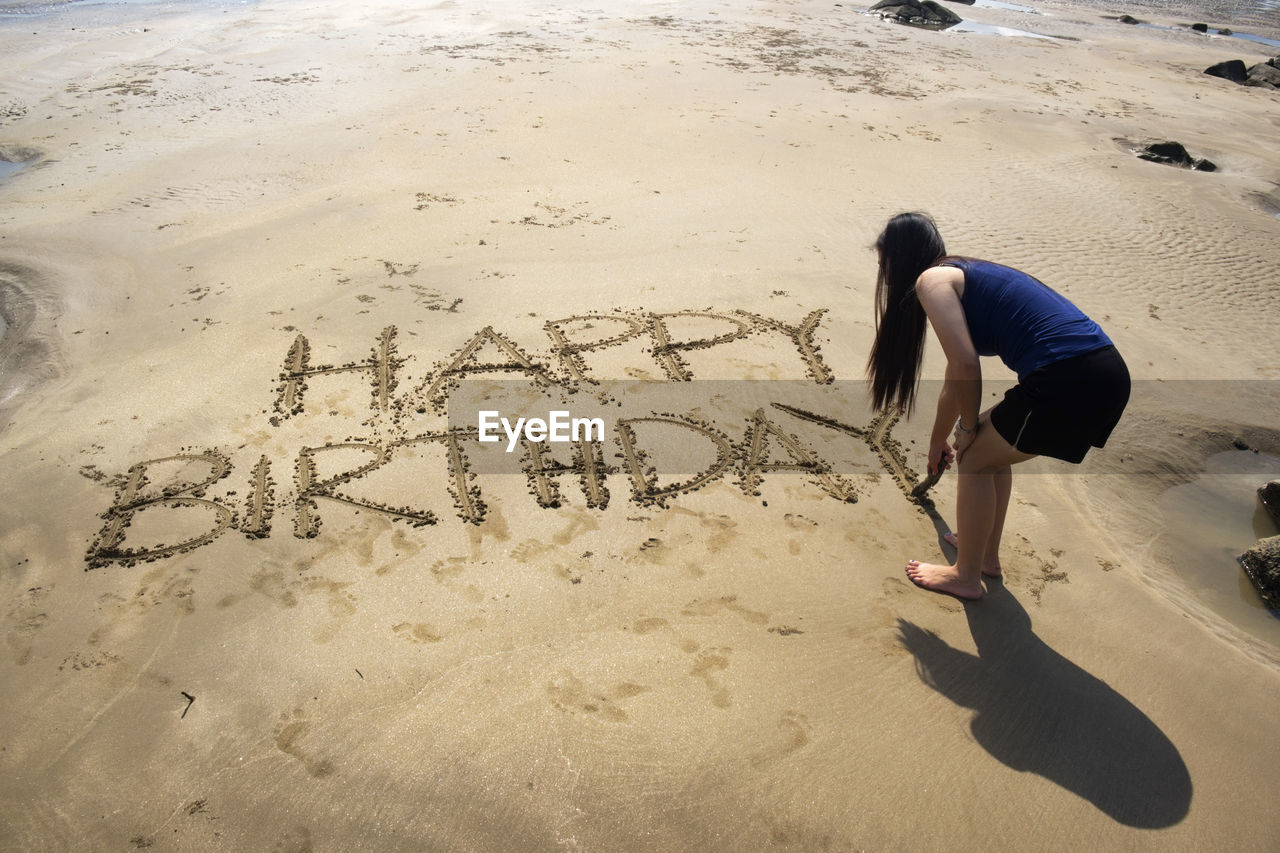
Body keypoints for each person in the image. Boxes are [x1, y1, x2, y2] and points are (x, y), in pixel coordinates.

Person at [866, 212, 1129, 600]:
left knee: (975, 457)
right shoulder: (961, 273)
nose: (882, 272)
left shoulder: (931, 281)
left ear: (897, 257)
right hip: (1101, 370)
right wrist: (941, 438)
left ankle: (966, 576)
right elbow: (956, 377)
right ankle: (985, 557)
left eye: (882, 261)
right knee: (993, 452)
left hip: (1069, 378)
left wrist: (968, 430)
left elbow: (967, 365)